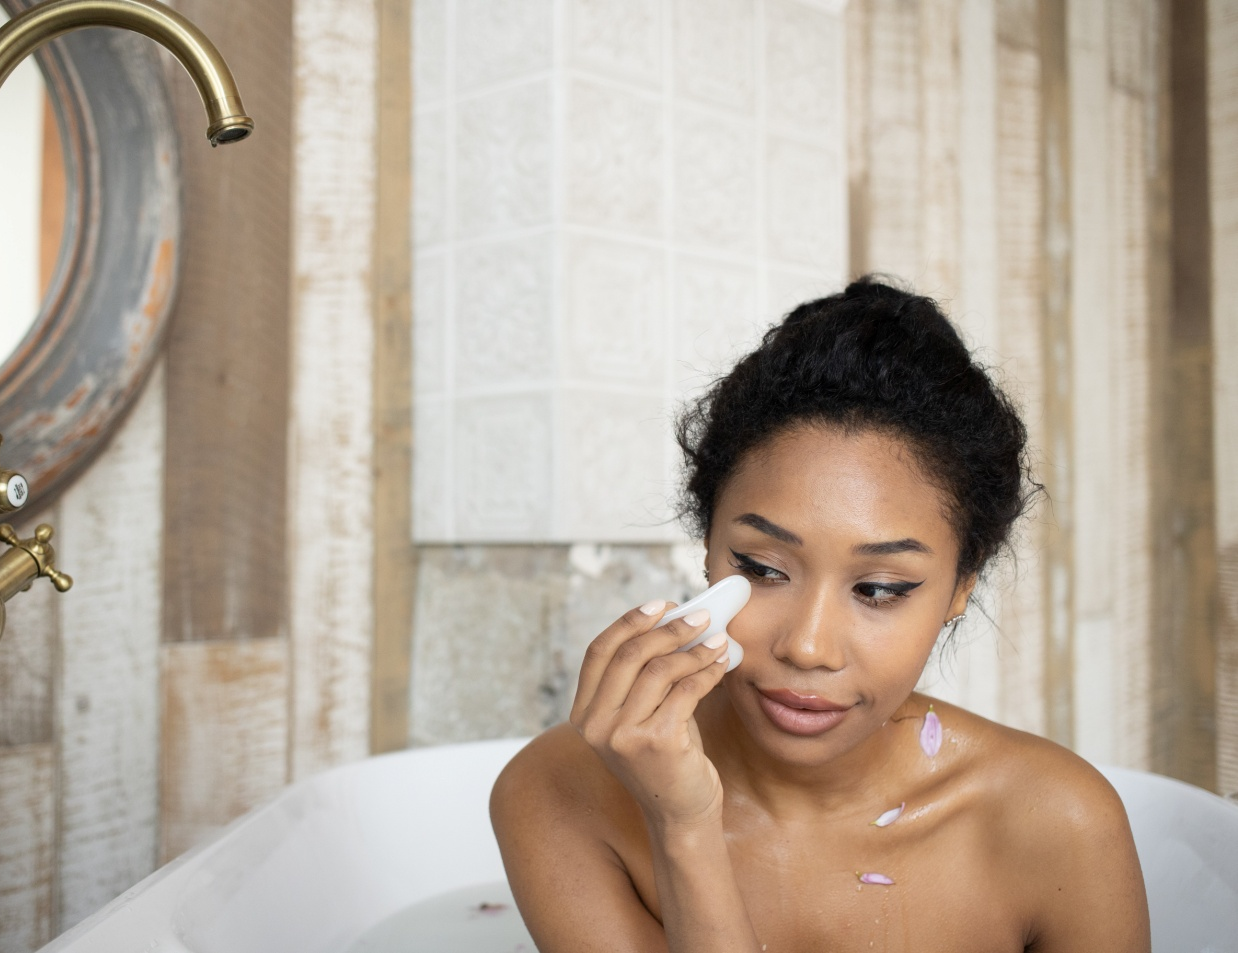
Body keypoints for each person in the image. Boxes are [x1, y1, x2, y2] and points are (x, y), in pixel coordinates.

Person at [490, 278, 1150, 952]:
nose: (807, 646)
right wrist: (685, 825)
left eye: (881, 588)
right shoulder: (559, 792)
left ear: (959, 588)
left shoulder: (1059, 826)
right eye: (762, 567)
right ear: (711, 552)